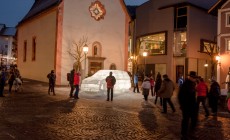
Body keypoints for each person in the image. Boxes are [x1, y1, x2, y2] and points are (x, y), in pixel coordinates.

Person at [178, 71, 198, 139]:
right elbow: (180, 95)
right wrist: (182, 105)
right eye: (193, 77)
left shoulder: (193, 84)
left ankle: (190, 132)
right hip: (186, 105)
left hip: (192, 105)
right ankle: (184, 134)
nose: (194, 79)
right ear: (190, 77)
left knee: (193, 119)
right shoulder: (185, 84)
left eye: (195, 77)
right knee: (186, 120)